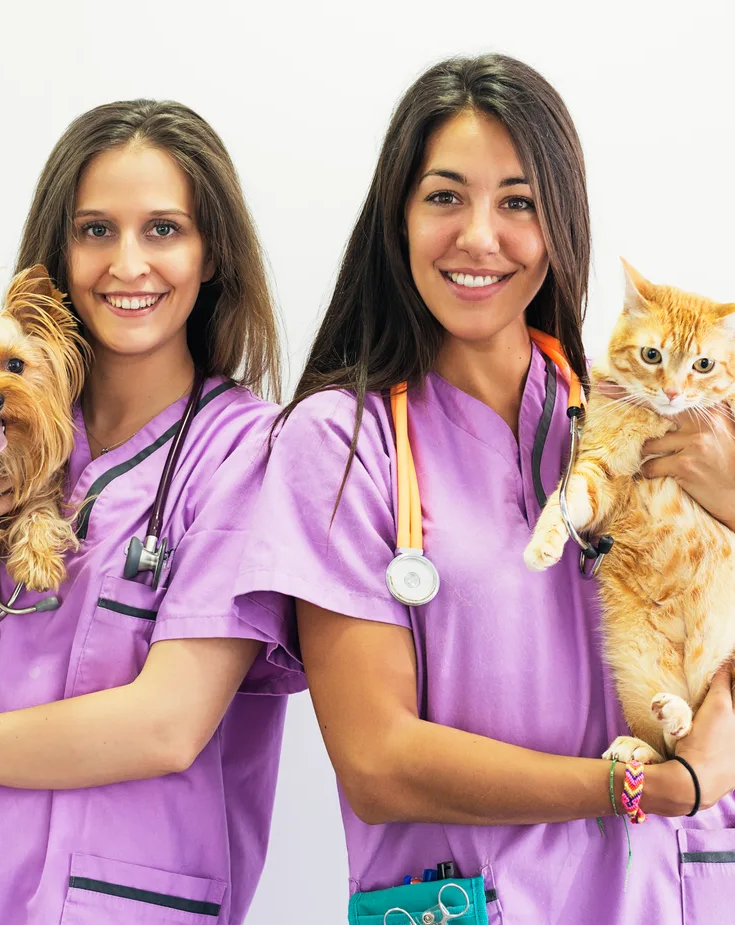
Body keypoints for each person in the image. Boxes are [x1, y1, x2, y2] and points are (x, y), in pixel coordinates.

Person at [235, 55, 735, 922]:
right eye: (444, 197)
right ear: (397, 217)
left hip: (683, 888)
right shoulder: (341, 443)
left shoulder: (648, 418)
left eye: (517, 201)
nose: (479, 237)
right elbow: (377, 763)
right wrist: (644, 788)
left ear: (559, 225)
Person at [0, 99, 302, 925]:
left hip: (122, 900)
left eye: (164, 229)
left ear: (211, 253)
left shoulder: (247, 454)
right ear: (59, 253)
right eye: (96, 230)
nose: (127, 263)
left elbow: (165, 725)